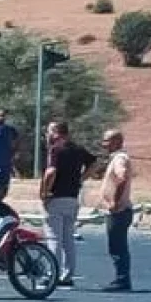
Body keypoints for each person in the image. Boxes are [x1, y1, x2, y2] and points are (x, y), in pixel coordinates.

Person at [39, 119, 95, 288]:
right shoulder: (78, 149)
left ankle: (52, 273)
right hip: (72, 197)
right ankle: (68, 274)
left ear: (56, 132)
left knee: (54, 238)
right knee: (68, 238)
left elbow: (51, 172)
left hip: (56, 197)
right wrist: (80, 179)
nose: (47, 135)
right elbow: (94, 163)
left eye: (49, 131)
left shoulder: (56, 149)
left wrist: (44, 192)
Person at [99, 127, 135, 293]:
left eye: (107, 141)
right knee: (116, 245)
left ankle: (122, 279)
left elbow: (122, 177)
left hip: (119, 210)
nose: (104, 144)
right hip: (118, 210)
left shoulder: (120, 159)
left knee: (118, 246)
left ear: (116, 141)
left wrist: (114, 201)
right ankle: (121, 278)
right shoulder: (116, 158)